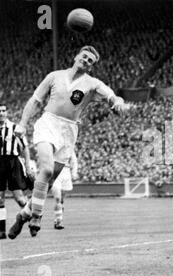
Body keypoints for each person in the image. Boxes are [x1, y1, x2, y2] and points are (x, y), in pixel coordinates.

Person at [8, 45, 132, 239]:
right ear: (76, 57)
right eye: (84, 57)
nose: (86, 61)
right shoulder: (54, 76)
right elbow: (34, 101)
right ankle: (36, 215)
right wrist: (22, 123)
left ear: (91, 67)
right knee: (46, 170)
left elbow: (111, 95)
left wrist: (118, 102)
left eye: (90, 61)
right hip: (48, 123)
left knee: (47, 184)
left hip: (69, 132)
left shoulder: (92, 83)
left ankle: (22, 215)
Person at [0, 104, 33, 239]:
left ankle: (33, 218)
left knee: (19, 198)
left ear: (7, 113)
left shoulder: (14, 128)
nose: (1, 113)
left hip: (13, 163)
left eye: (3, 110)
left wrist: (28, 165)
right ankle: (1, 231)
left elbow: (25, 148)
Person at [51, 150, 78, 230]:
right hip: (55, 171)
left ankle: (58, 217)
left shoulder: (69, 147)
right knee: (57, 198)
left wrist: (74, 173)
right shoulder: (53, 144)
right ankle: (58, 220)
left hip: (66, 173)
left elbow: (74, 160)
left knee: (61, 200)